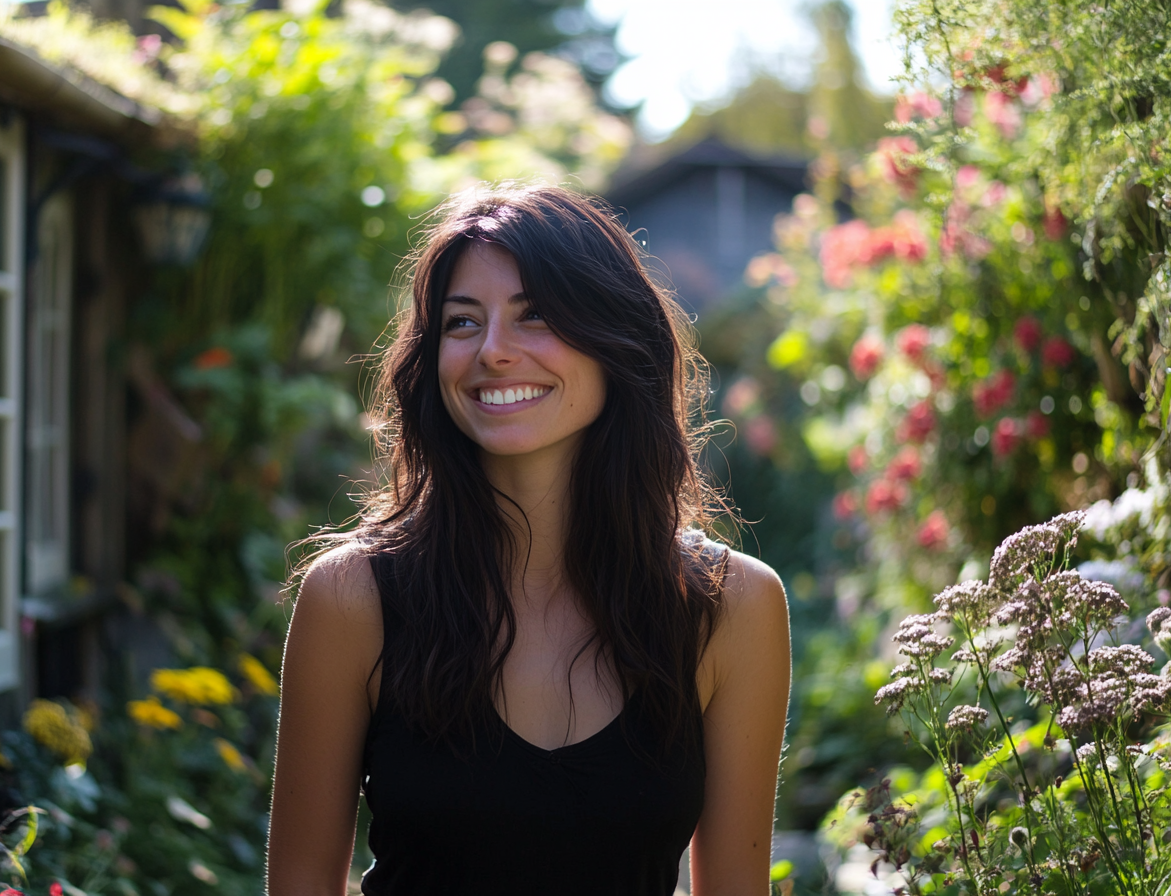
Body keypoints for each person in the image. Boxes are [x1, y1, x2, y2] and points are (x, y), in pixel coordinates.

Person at [267, 184, 790, 896]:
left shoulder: (732, 607)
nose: (493, 352)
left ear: (616, 340)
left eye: (535, 315)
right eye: (461, 322)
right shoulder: (351, 598)